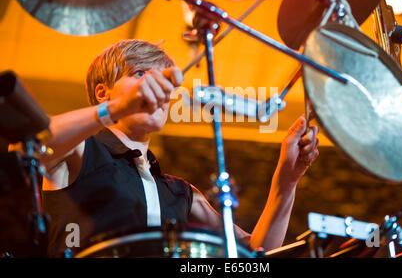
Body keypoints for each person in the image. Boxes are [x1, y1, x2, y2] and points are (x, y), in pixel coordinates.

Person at [39, 39, 320, 257]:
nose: (157, 91)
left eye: (164, 83)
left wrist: (287, 179)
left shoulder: (180, 192)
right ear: (103, 92)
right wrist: (114, 109)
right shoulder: (82, 151)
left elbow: (256, 251)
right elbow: (36, 138)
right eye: (139, 75)